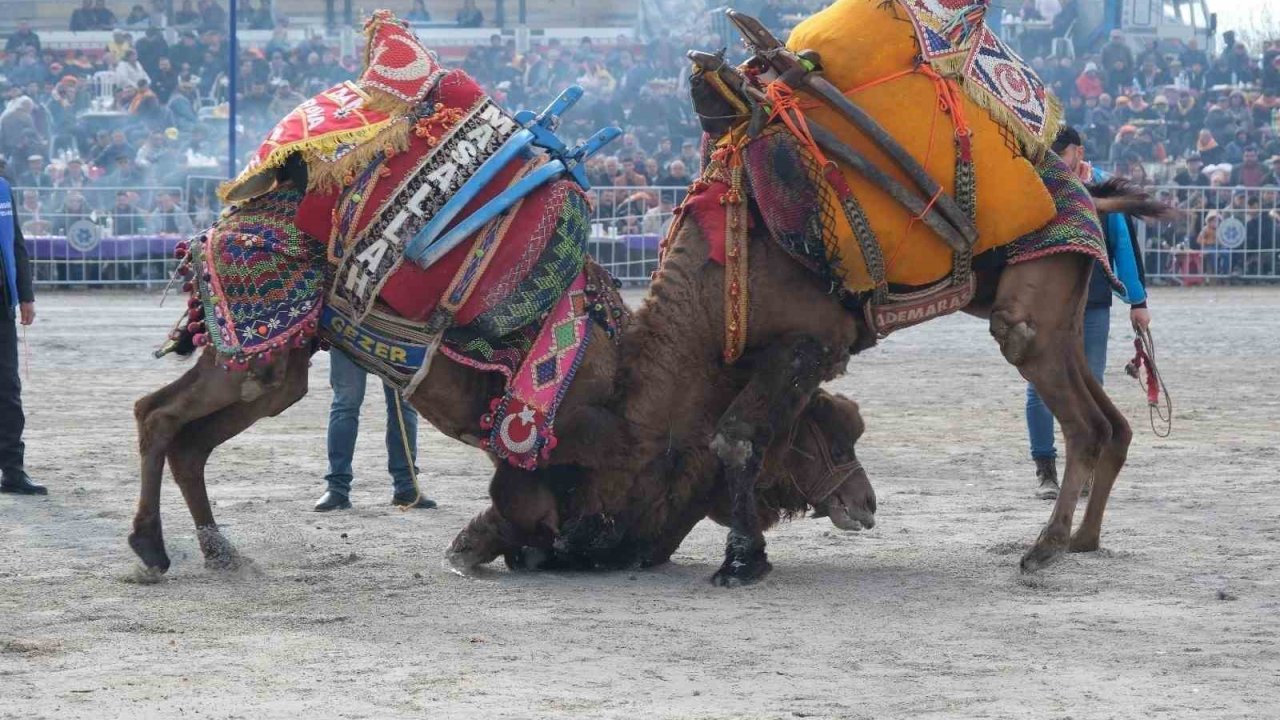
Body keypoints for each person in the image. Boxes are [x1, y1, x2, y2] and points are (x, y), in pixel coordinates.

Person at [1027, 126, 1151, 499]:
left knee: (1091, 385)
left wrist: (1138, 302)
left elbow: (1123, 247)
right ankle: (1045, 470)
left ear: (1077, 152)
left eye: (1059, 154)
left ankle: (1082, 467)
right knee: (1039, 386)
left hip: (1095, 298)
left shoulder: (1101, 189)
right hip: (1044, 303)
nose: (1053, 161)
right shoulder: (1036, 187)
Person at [314, 348, 436, 511]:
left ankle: (406, 486)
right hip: (347, 333)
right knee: (345, 404)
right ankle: (336, 488)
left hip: (397, 332)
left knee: (403, 406)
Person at [0, 170, 43, 495]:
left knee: (8, 389)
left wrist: (25, 295)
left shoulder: (3, 189)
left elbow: (15, 243)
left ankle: (13, 471)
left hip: (2, 304)